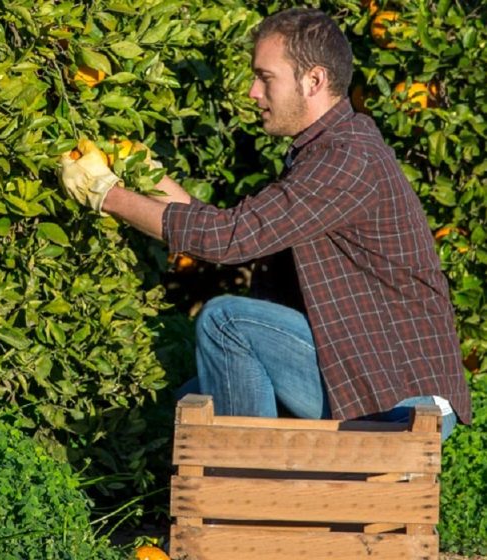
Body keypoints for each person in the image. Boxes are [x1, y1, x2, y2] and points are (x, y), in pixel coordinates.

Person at [57, 8, 471, 440]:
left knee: (226, 322)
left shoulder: (346, 158)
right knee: (193, 400)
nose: (253, 92)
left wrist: (105, 195)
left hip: (400, 398)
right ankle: (250, 484)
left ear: (313, 80)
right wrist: (144, 172)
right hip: (367, 375)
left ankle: (248, 485)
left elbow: (230, 239)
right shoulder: (324, 152)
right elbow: (233, 231)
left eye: (265, 77)